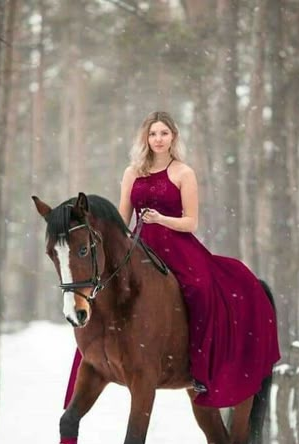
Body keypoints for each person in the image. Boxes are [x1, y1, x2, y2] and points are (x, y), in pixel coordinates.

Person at [118, 111, 280, 408]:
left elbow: (191, 222)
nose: (158, 139)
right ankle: (100, 359)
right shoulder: (132, 173)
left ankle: (199, 368)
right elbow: (121, 220)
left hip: (178, 247)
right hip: (141, 245)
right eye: (153, 134)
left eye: (163, 133)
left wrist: (161, 219)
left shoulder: (183, 172)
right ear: (145, 138)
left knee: (200, 290)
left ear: (173, 137)